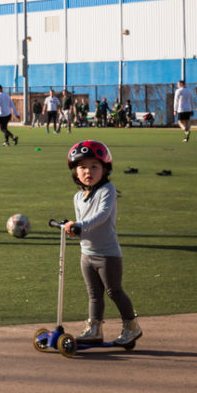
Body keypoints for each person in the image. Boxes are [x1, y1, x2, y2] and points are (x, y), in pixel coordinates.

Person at [63, 140, 142, 347]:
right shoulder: (78, 196)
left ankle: (132, 326)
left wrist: (79, 225)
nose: (88, 171)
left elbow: (101, 216)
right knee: (93, 294)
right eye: (82, 167)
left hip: (107, 254)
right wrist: (75, 231)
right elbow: (84, 225)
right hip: (86, 253)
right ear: (75, 171)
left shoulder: (108, 189)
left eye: (94, 167)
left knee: (114, 290)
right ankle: (94, 329)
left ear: (105, 169)